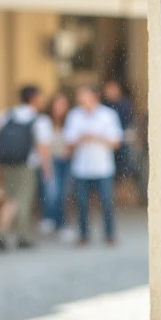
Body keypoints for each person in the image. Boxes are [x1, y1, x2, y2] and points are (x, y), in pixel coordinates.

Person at [0, 85, 54, 251]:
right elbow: (43, 148)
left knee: (10, 198)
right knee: (22, 199)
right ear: (34, 98)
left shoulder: (6, 114)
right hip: (27, 164)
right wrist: (47, 170)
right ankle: (18, 235)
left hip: (7, 162)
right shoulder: (40, 119)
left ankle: (4, 232)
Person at [63, 84, 124, 245]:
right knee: (82, 203)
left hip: (103, 167)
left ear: (93, 96)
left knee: (106, 202)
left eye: (83, 95)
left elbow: (116, 142)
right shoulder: (74, 115)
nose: (80, 99)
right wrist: (81, 138)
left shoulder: (108, 115)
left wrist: (97, 137)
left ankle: (110, 234)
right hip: (81, 168)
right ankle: (84, 235)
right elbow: (68, 143)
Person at [101, 78, 145, 202]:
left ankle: (127, 194)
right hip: (110, 142)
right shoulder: (105, 106)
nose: (109, 92)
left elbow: (129, 122)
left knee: (126, 166)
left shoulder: (125, 104)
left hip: (124, 141)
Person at [42, 92, 73, 233]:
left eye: (64, 104)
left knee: (63, 192)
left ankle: (60, 223)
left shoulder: (71, 120)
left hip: (66, 160)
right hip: (51, 160)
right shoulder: (45, 121)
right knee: (53, 192)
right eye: (58, 103)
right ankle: (52, 219)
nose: (61, 107)